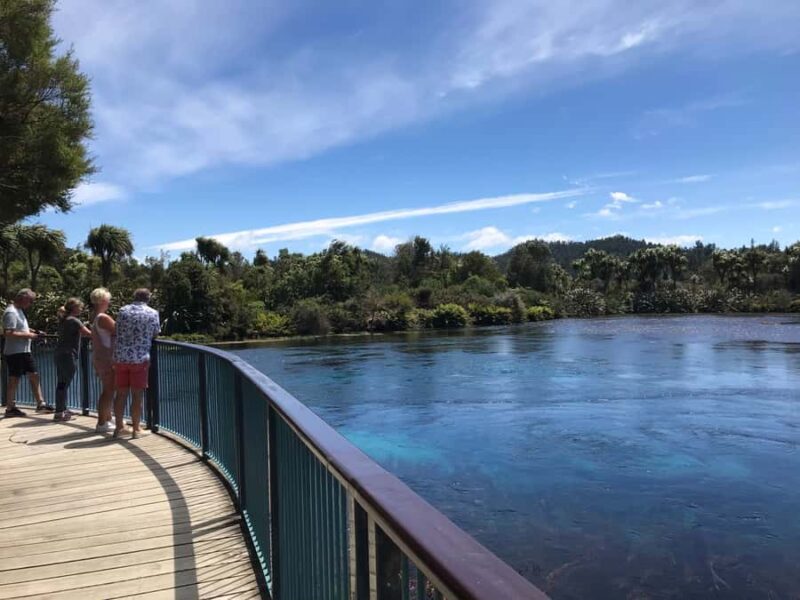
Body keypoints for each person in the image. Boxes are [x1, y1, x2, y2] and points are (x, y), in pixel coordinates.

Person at [113, 288, 160, 439]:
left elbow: (117, 329)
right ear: (148, 298)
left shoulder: (122, 310)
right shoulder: (152, 313)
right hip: (140, 359)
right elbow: (155, 333)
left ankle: (119, 428)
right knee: (137, 395)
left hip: (121, 357)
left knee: (120, 394)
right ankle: (136, 429)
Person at [2, 289, 53, 417]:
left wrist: (35, 331)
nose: (31, 303)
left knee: (34, 375)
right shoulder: (11, 312)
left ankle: (41, 404)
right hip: (15, 352)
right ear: (23, 298)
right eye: (30, 301)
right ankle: (10, 408)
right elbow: (8, 332)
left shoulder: (19, 311)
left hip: (24, 351)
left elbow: (20, 327)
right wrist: (30, 335)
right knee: (14, 379)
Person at [53, 298, 91, 422]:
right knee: (65, 383)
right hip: (68, 355)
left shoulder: (64, 320)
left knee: (62, 382)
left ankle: (62, 409)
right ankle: (59, 412)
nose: (81, 309)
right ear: (74, 308)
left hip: (60, 354)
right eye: (80, 307)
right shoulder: (74, 320)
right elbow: (88, 333)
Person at [90, 288, 116, 432]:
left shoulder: (96, 317)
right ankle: (101, 423)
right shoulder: (103, 318)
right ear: (103, 301)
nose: (109, 302)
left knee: (108, 389)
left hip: (100, 357)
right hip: (106, 359)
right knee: (108, 390)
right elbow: (118, 330)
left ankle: (107, 418)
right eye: (108, 299)